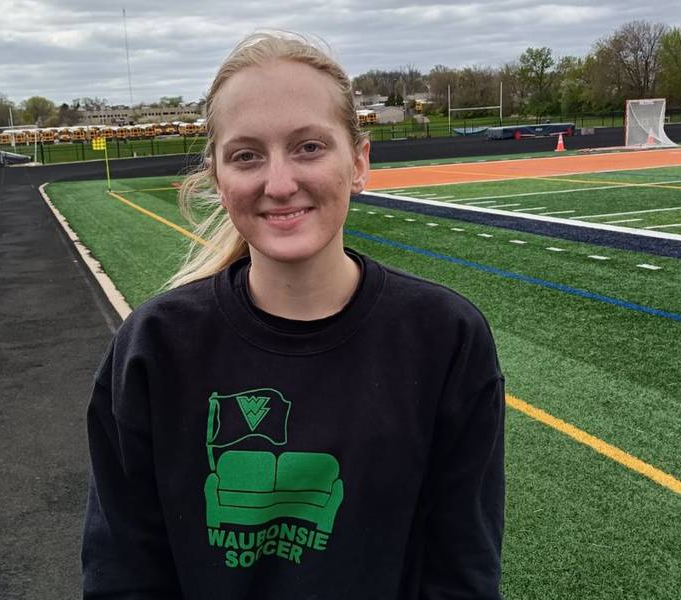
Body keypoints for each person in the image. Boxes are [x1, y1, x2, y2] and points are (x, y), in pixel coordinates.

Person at [82, 31, 505, 600]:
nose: (279, 184)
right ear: (218, 176)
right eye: (247, 155)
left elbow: (462, 572)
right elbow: (123, 575)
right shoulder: (154, 348)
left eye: (309, 146)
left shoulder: (445, 339)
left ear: (358, 163)